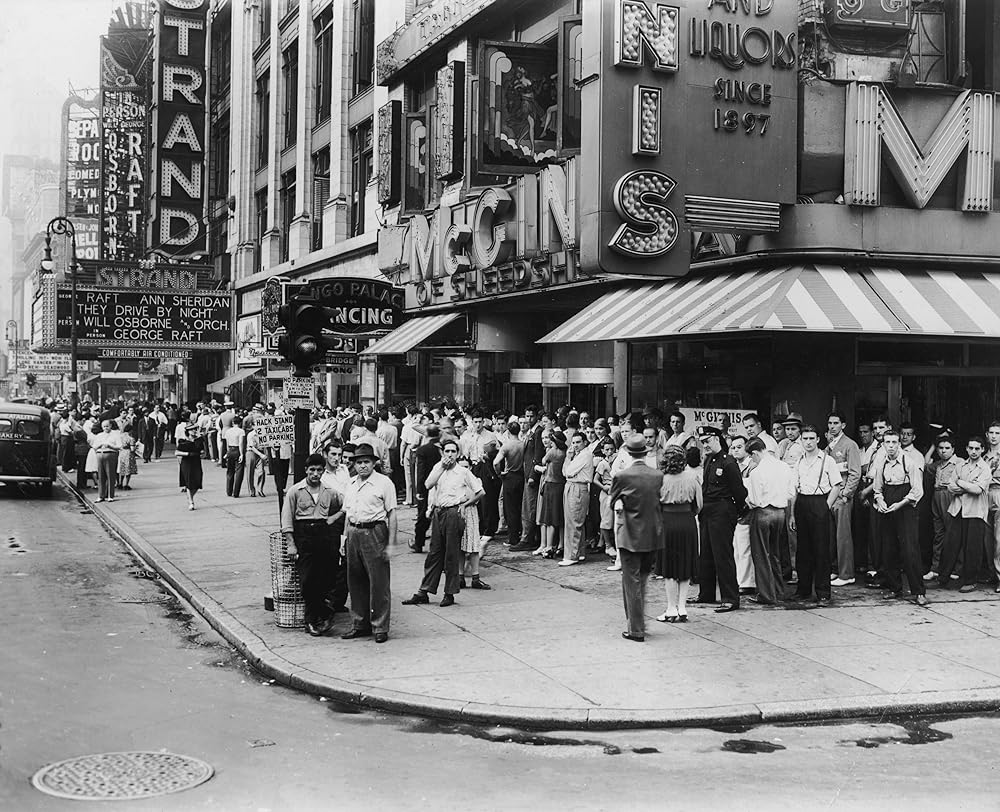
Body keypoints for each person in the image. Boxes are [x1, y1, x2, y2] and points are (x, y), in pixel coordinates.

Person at [402, 438, 480, 608]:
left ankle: (449, 593)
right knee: (434, 553)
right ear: (443, 453)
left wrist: (464, 505)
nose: (450, 455)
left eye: (453, 451)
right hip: (439, 512)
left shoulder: (463, 472)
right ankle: (424, 590)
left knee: (451, 554)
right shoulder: (438, 468)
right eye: (447, 451)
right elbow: (428, 484)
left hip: (453, 512)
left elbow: (480, 491)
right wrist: (441, 468)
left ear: (458, 453)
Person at [281, 453, 345, 636]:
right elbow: (286, 519)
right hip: (303, 536)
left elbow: (345, 505)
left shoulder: (330, 491)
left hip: (324, 535)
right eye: (312, 470)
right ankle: (314, 618)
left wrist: (335, 517)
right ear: (306, 471)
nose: (315, 474)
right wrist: (291, 544)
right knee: (307, 580)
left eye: (319, 470)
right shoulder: (295, 491)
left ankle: (318, 616)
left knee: (325, 579)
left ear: (323, 471)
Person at [609, 434, 665, 642]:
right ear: (646, 451)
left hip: (629, 535)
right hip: (652, 535)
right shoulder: (657, 475)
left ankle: (635, 628)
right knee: (642, 580)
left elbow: (611, 501)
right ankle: (639, 623)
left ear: (629, 453)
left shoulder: (622, 477)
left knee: (630, 581)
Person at [341, 443, 397, 643]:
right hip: (354, 531)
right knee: (355, 581)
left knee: (378, 582)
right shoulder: (351, 483)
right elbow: (348, 513)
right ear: (353, 464)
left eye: (366, 462)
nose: (362, 466)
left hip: (375, 531)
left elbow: (392, 514)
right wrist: (344, 538)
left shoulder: (384, 483)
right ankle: (360, 624)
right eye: (359, 462)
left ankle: (380, 627)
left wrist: (391, 544)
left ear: (374, 463)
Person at [694, 425, 747, 612]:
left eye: (707, 441)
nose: (705, 445)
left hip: (722, 510)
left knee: (722, 555)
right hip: (707, 510)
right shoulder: (709, 460)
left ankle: (730, 598)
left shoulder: (728, 462)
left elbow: (740, 492)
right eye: (702, 442)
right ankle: (706, 593)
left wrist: (736, 511)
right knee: (706, 553)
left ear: (717, 438)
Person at [788, 424, 842, 605]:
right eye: (805, 439)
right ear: (801, 440)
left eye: (812, 438)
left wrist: (826, 506)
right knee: (803, 550)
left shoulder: (827, 461)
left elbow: (837, 485)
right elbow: (795, 489)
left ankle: (823, 592)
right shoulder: (799, 461)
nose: (808, 442)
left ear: (818, 439)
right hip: (802, 503)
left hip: (820, 501)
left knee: (821, 550)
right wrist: (793, 515)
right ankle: (803, 590)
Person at [873, 429, 927, 605]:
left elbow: (918, 491)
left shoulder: (909, 463)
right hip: (888, 506)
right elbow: (877, 489)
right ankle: (894, 588)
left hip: (905, 507)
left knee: (910, 549)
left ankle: (919, 591)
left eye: (894, 442)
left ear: (899, 443)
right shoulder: (881, 463)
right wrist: (880, 501)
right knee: (888, 549)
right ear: (883, 444)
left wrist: (901, 504)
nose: (890, 446)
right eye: (887, 442)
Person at [937, 436, 991, 595]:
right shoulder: (960, 465)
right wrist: (967, 485)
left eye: (977, 448)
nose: (973, 451)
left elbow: (978, 490)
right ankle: (943, 577)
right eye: (971, 448)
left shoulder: (985, 468)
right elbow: (950, 487)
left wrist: (961, 483)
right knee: (950, 544)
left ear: (982, 450)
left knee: (972, 547)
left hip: (975, 511)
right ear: (966, 449)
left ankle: (970, 581)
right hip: (957, 509)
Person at [655, 446, 701, 623]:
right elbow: (699, 504)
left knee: (669, 568)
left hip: (667, 522)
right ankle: (682, 607)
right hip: (687, 521)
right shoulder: (692, 477)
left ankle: (670, 608)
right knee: (685, 565)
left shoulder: (660, 479)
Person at [745, 437, 792, 605]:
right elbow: (790, 492)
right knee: (775, 554)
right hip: (780, 512)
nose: (752, 460)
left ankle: (766, 594)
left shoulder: (757, 472)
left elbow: (755, 499)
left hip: (763, 513)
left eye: (751, 456)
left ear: (755, 453)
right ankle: (779, 591)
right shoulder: (784, 466)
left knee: (761, 555)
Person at [825, 412, 861, 587]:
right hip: (830, 495)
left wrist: (847, 494)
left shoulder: (849, 445)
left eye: (836, 423)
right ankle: (835, 569)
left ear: (843, 425)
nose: (832, 426)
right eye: (830, 423)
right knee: (831, 535)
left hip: (842, 496)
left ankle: (847, 574)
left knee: (843, 535)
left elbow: (855, 472)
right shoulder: (829, 445)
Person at [926, 434, 962, 581]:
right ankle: (936, 568)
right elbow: (925, 464)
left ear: (953, 449)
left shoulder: (960, 462)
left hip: (951, 496)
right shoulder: (938, 463)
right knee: (938, 533)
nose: (943, 451)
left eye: (947, 448)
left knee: (953, 533)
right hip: (937, 495)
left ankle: (956, 568)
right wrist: (933, 445)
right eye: (941, 448)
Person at [454, 456, 489, 589]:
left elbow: (480, 494)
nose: (464, 469)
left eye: (466, 466)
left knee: (473, 546)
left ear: (470, 467)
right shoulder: (455, 479)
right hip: (457, 512)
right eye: (461, 466)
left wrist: (466, 502)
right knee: (460, 547)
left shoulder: (475, 479)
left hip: (471, 513)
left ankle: (475, 578)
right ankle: (460, 577)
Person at [561, 431, 595, 566]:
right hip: (573, 486)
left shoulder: (585, 455)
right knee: (574, 520)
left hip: (577, 487)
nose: (575, 445)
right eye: (573, 442)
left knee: (574, 521)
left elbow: (568, 472)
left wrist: (568, 460)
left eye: (578, 442)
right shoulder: (578, 455)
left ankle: (572, 555)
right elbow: (564, 472)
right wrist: (569, 459)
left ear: (584, 442)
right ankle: (579, 552)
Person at [494, 418, 527, 551]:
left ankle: (513, 538)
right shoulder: (523, 444)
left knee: (510, 509)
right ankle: (520, 534)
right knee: (520, 507)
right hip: (521, 476)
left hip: (509, 476)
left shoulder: (507, 445)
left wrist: (499, 473)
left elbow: (496, 462)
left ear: (508, 430)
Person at [534, 429, 566, 558]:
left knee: (548, 518)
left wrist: (537, 467)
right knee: (558, 516)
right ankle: (558, 545)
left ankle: (547, 546)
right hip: (560, 485)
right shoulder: (565, 452)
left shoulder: (552, 452)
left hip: (550, 484)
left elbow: (542, 461)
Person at [411, 425, 442, 554]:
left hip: (427, 486)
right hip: (441, 484)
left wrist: (419, 490)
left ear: (427, 435)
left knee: (423, 515)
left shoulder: (423, 450)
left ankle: (418, 543)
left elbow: (421, 472)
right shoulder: (443, 448)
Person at [594, 437, 618, 557]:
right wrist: (603, 487)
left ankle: (614, 544)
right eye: (607, 449)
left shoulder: (618, 462)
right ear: (603, 451)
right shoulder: (602, 464)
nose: (610, 452)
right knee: (606, 519)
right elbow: (595, 480)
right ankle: (608, 545)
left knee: (615, 519)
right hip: (606, 492)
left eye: (612, 449)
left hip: (616, 491)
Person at [90, 419, 122, 503]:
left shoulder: (115, 435)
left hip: (111, 454)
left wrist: (110, 445)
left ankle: (110, 495)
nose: (105, 428)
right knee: (101, 476)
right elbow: (94, 447)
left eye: (107, 426)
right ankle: (101, 495)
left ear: (111, 426)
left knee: (110, 475)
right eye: (104, 427)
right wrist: (100, 445)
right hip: (100, 454)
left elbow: (119, 446)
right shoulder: (99, 435)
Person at [175, 419, 204, 510]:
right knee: (189, 482)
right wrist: (188, 454)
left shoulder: (199, 440)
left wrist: (202, 453)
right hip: (187, 462)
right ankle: (191, 501)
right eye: (192, 430)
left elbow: (202, 451)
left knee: (197, 482)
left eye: (195, 429)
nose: (194, 431)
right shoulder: (183, 441)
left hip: (196, 461)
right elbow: (177, 452)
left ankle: (190, 496)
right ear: (188, 431)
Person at [223, 418, 246, 498]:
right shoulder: (241, 431)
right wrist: (242, 454)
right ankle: (236, 492)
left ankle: (229, 491)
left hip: (230, 450)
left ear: (233, 423)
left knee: (230, 471)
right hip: (237, 450)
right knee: (239, 472)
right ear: (240, 423)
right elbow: (241, 443)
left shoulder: (228, 431)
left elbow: (227, 443)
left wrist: (227, 452)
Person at [246, 425, 268, 497]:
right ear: (253, 426)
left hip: (260, 452)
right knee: (250, 472)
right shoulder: (251, 434)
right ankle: (251, 490)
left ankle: (260, 489)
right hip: (252, 453)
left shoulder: (263, 433)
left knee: (261, 471)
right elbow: (251, 446)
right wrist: (261, 454)